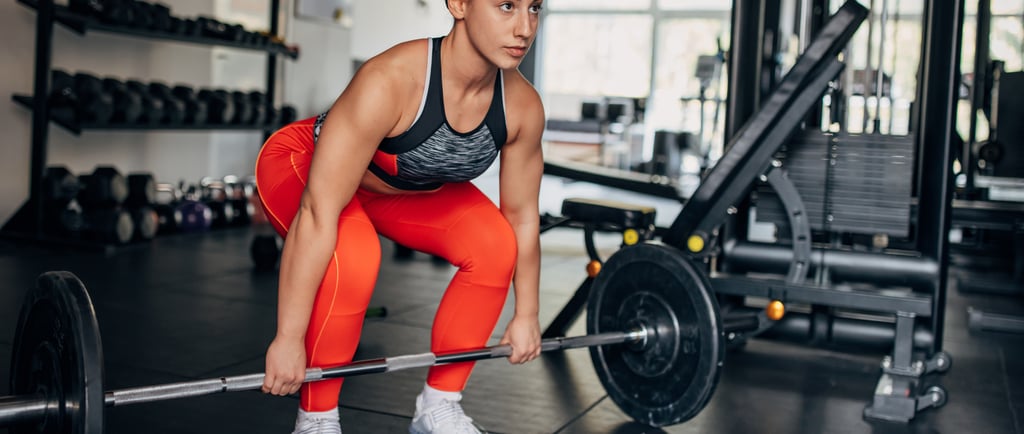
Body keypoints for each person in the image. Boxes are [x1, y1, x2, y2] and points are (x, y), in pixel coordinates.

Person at [254, 0, 546, 432]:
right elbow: (318, 212)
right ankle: (316, 419)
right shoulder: (391, 81)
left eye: (534, 7)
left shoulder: (521, 107)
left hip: (399, 189)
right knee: (354, 256)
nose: (524, 27)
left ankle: (438, 407)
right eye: (506, 6)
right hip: (305, 166)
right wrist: (288, 338)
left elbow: (521, 217)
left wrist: (527, 315)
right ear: (459, 4)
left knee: (495, 244)